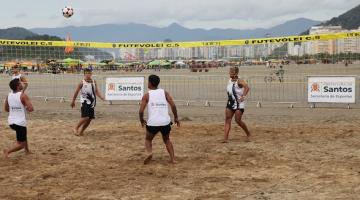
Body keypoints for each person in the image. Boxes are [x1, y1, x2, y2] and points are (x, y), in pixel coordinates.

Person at [139, 75, 180, 164]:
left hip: (153, 123)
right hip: (165, 122)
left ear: (150, 83)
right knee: (167, 140)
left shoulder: (146, 95)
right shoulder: (164, 93)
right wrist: (176, 117)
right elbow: (173, 105)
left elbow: (141, 111)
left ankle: (150, 153)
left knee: (148, 139)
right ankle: (172, 159)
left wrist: (141, 120)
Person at [3, 78, 34, 158]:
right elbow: (31, 109)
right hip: (20, 123)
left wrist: (15, 109)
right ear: (17, 86)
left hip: (11, 122)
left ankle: (27, 151)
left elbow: (6, 109)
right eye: (20, 83)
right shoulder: (23, 95)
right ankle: (8, 151)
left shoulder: (8, 95)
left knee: (24, 135)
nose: (21, 84)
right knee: (21, 144)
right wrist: (25, 108)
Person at [70, 68, 105, 136]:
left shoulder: (94, 81)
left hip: (92, 102)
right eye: (86, 73)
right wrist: (73, 101)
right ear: (84, 74)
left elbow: (96, 91)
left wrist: (101, 97)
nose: (88, 74)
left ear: (91, 74)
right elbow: (76, 92)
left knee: (90, 119)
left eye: (89, 73)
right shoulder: (82, 82)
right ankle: (76, 128)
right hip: (84, 101)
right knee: (85, 117)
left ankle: (82, 131)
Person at [223, 67, 251, 143]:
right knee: (227, 119)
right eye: (230, 72)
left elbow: (247, 87)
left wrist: (243, 96)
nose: (230, 73)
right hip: (230, 103)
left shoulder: (240, 81)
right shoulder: (230, 80)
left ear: (236, 73)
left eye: (231, 72)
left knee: (238, 120)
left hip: (239, 103)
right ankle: (225, 138)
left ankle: (248, 134)